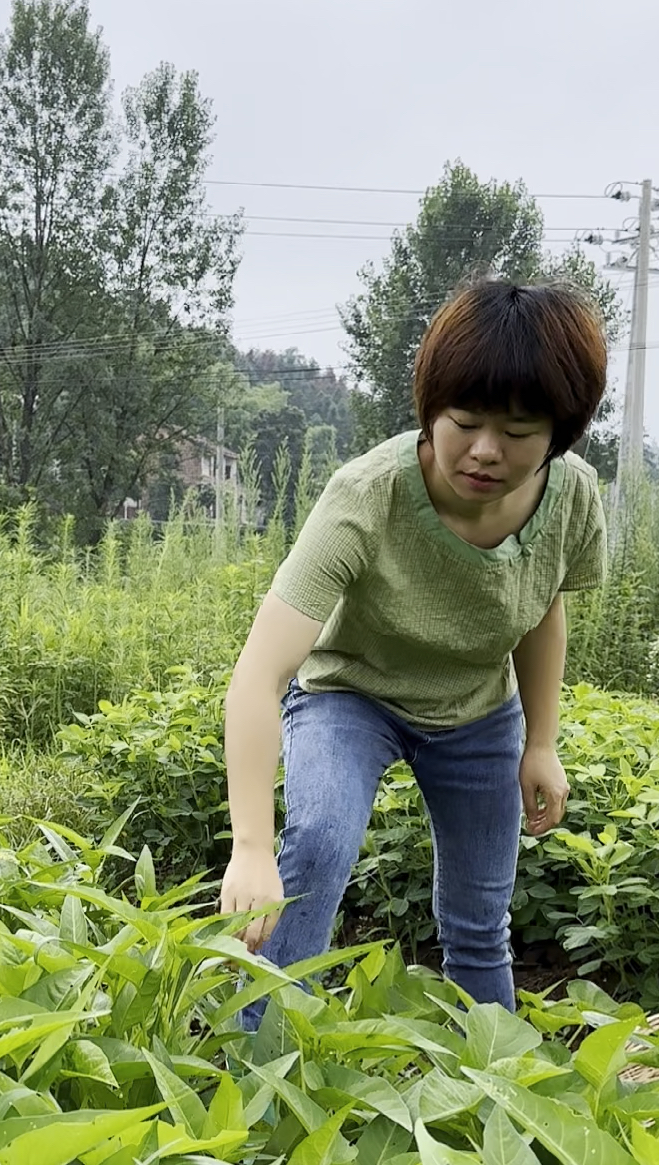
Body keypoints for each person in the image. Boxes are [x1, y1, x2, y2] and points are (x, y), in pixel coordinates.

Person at [220, 278, 609, 1026]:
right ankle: (256, 1063)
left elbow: (541, 606)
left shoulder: (572, 498)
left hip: (477, 712)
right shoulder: (366, 496)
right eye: (464, 422)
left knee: (479, 917)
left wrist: (542, 741)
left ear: (561, 433)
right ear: (430, 408)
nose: (487, 451)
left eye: (521, 431)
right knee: (318, 846)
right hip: (350, 696)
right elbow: (258, 677)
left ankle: (492, 1090)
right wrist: (250, 848)